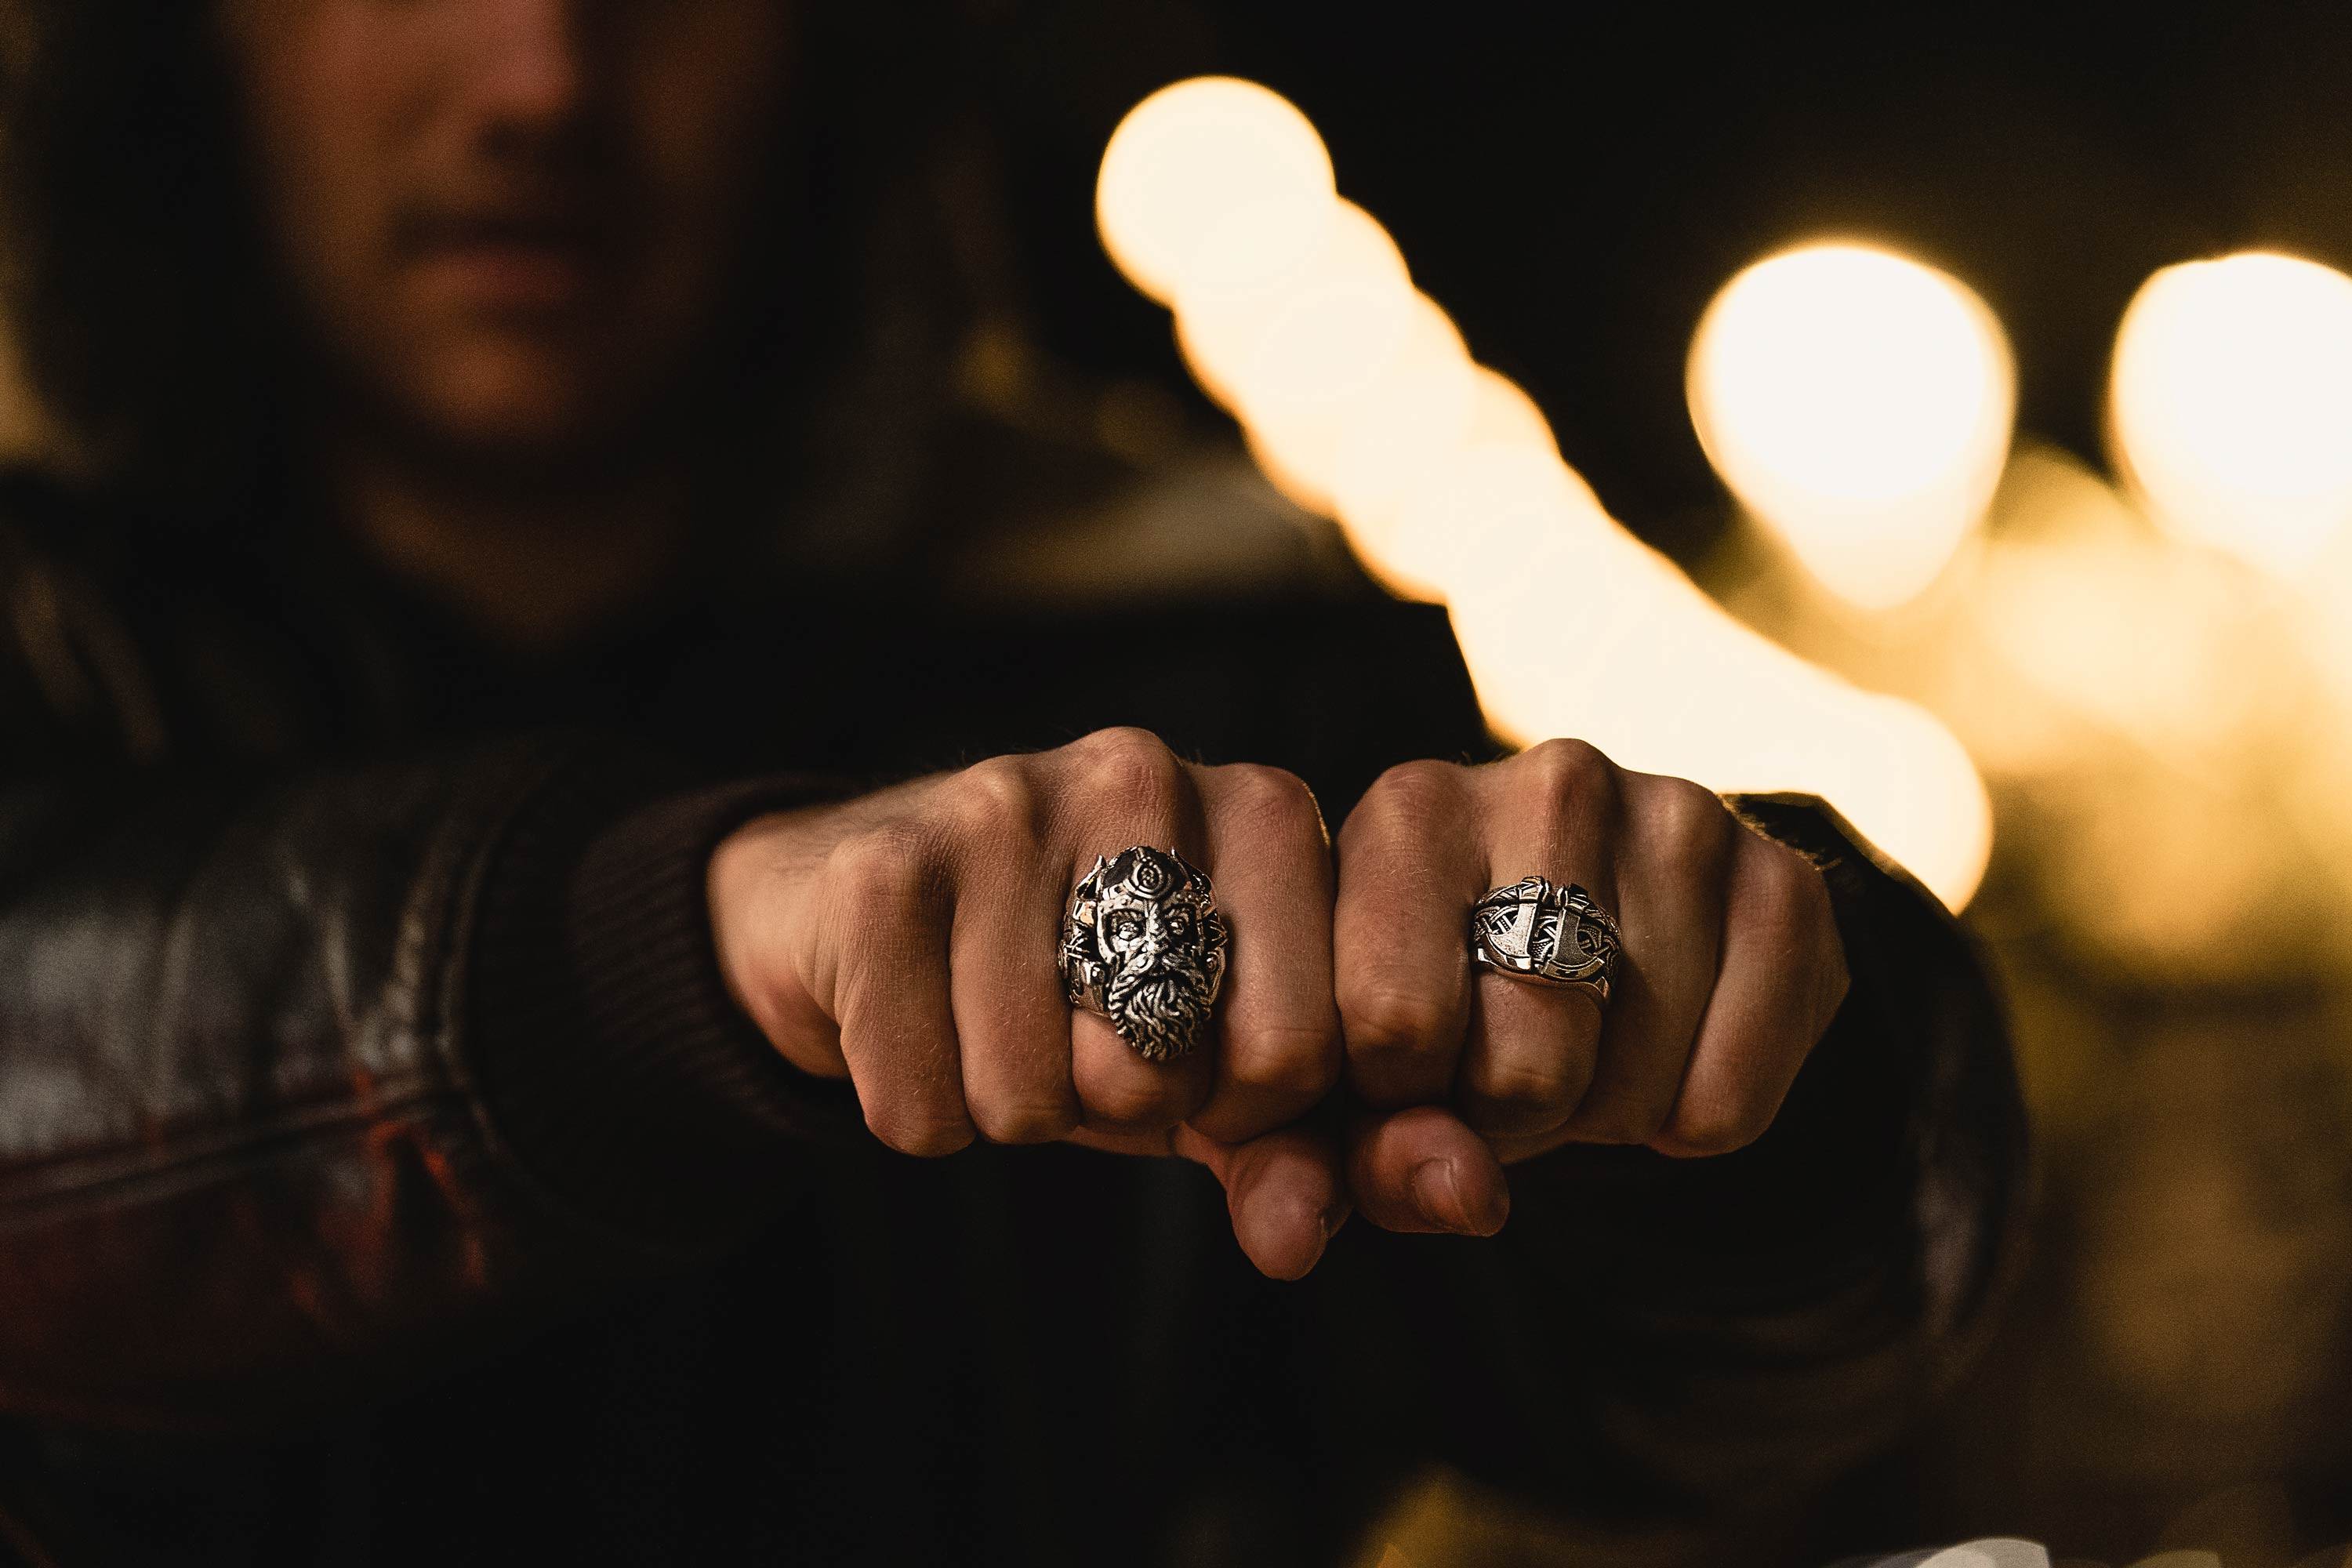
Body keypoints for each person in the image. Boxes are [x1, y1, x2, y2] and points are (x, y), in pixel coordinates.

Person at [0, 2, 2027, 1563]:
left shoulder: (1212, 653)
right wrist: (687, 956)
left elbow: (1680, 1406)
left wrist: (1750, 1081)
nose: (542, 75)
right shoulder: (44, 637)